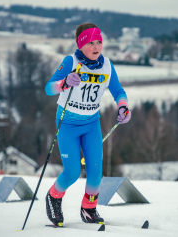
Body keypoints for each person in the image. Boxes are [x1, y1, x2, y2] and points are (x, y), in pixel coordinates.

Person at [44, 23, 131, 226]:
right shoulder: (70, 61)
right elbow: (49, 88)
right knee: (73, 171)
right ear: (81, 44)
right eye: (91, 42)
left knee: (95, 172)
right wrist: (64, 82)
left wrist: (123, 107)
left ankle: (89, 208)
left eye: (99, 41)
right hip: (67, 124)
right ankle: (54, 196)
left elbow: (118, 91)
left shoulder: (107, 66)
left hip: (91, 124)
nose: (96, 46)